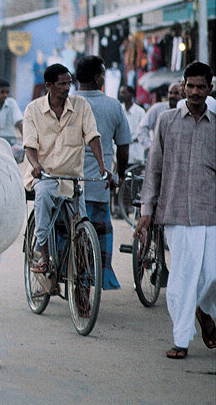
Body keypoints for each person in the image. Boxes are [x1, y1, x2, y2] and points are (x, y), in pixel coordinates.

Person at [135, 62, 216, 359]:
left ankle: (203, 310)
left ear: (210, 88)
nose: (195, 92)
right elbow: (153, 168)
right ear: (183, 87)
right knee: (182, 277)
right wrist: (147, 209)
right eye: (190, 86)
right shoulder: (167, 121)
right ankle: (181, 339)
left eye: (201, 87)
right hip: (176, 211)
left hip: (211, 212)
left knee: (213, 274)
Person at [23, 63, 110, 275]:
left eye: (69, 83)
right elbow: (29, 145)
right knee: (43, 198)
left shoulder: (81, 106)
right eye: (62, 84)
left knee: (81, 223)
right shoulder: (33, 110)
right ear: (49, 86)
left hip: (73, 179)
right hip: (45, 176)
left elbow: (92, 136)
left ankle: (79, 269)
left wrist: (102, 166)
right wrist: (35, 166)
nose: (67, 88)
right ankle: (43, 254)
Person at [74, 56, 131, 290]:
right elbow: (124, 145)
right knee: (98, 229)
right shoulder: (113, 105)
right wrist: (119, 174)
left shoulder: (68, 103)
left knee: (66, 228)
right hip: (101, 180)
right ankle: (100, 274)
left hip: (70, 180)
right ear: (98, 78)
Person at [138, 82, 182, 150]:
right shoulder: (157, 108)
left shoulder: (185, 112)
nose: (172, 96)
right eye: (170, 93)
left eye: (176, 93)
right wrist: (150, 147)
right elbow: (142, 127)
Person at [118, 84, 146, 164]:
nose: (121, 95)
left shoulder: (140, 111)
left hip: (135, 154)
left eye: (123, 93)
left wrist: (130, 138)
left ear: (131, 94)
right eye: (120, 93)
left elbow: (142, 130)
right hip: (121, 153)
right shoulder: (119, 109)